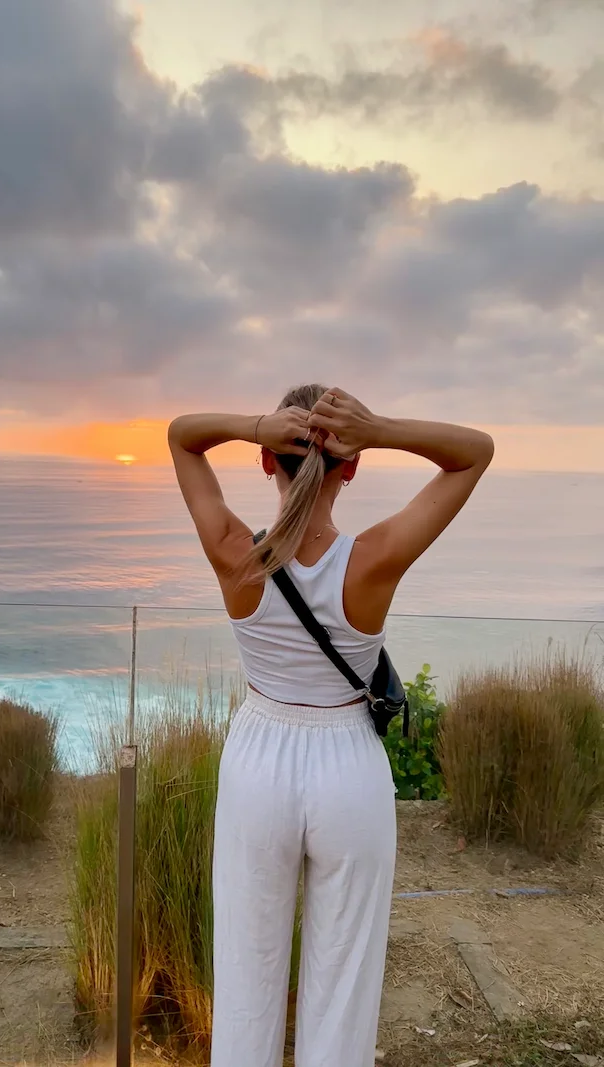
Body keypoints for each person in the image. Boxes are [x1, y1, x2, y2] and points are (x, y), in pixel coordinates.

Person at [167, 384, 494, 1067]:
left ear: (265, 462)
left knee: (247, 972)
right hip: (348, 766)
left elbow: (181, 435)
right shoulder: (373, 558)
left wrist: (252, 422)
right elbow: (474, 454)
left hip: (259, 759)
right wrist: (378, 428)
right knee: (343, 984)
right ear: (351, 466)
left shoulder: (236, 553)